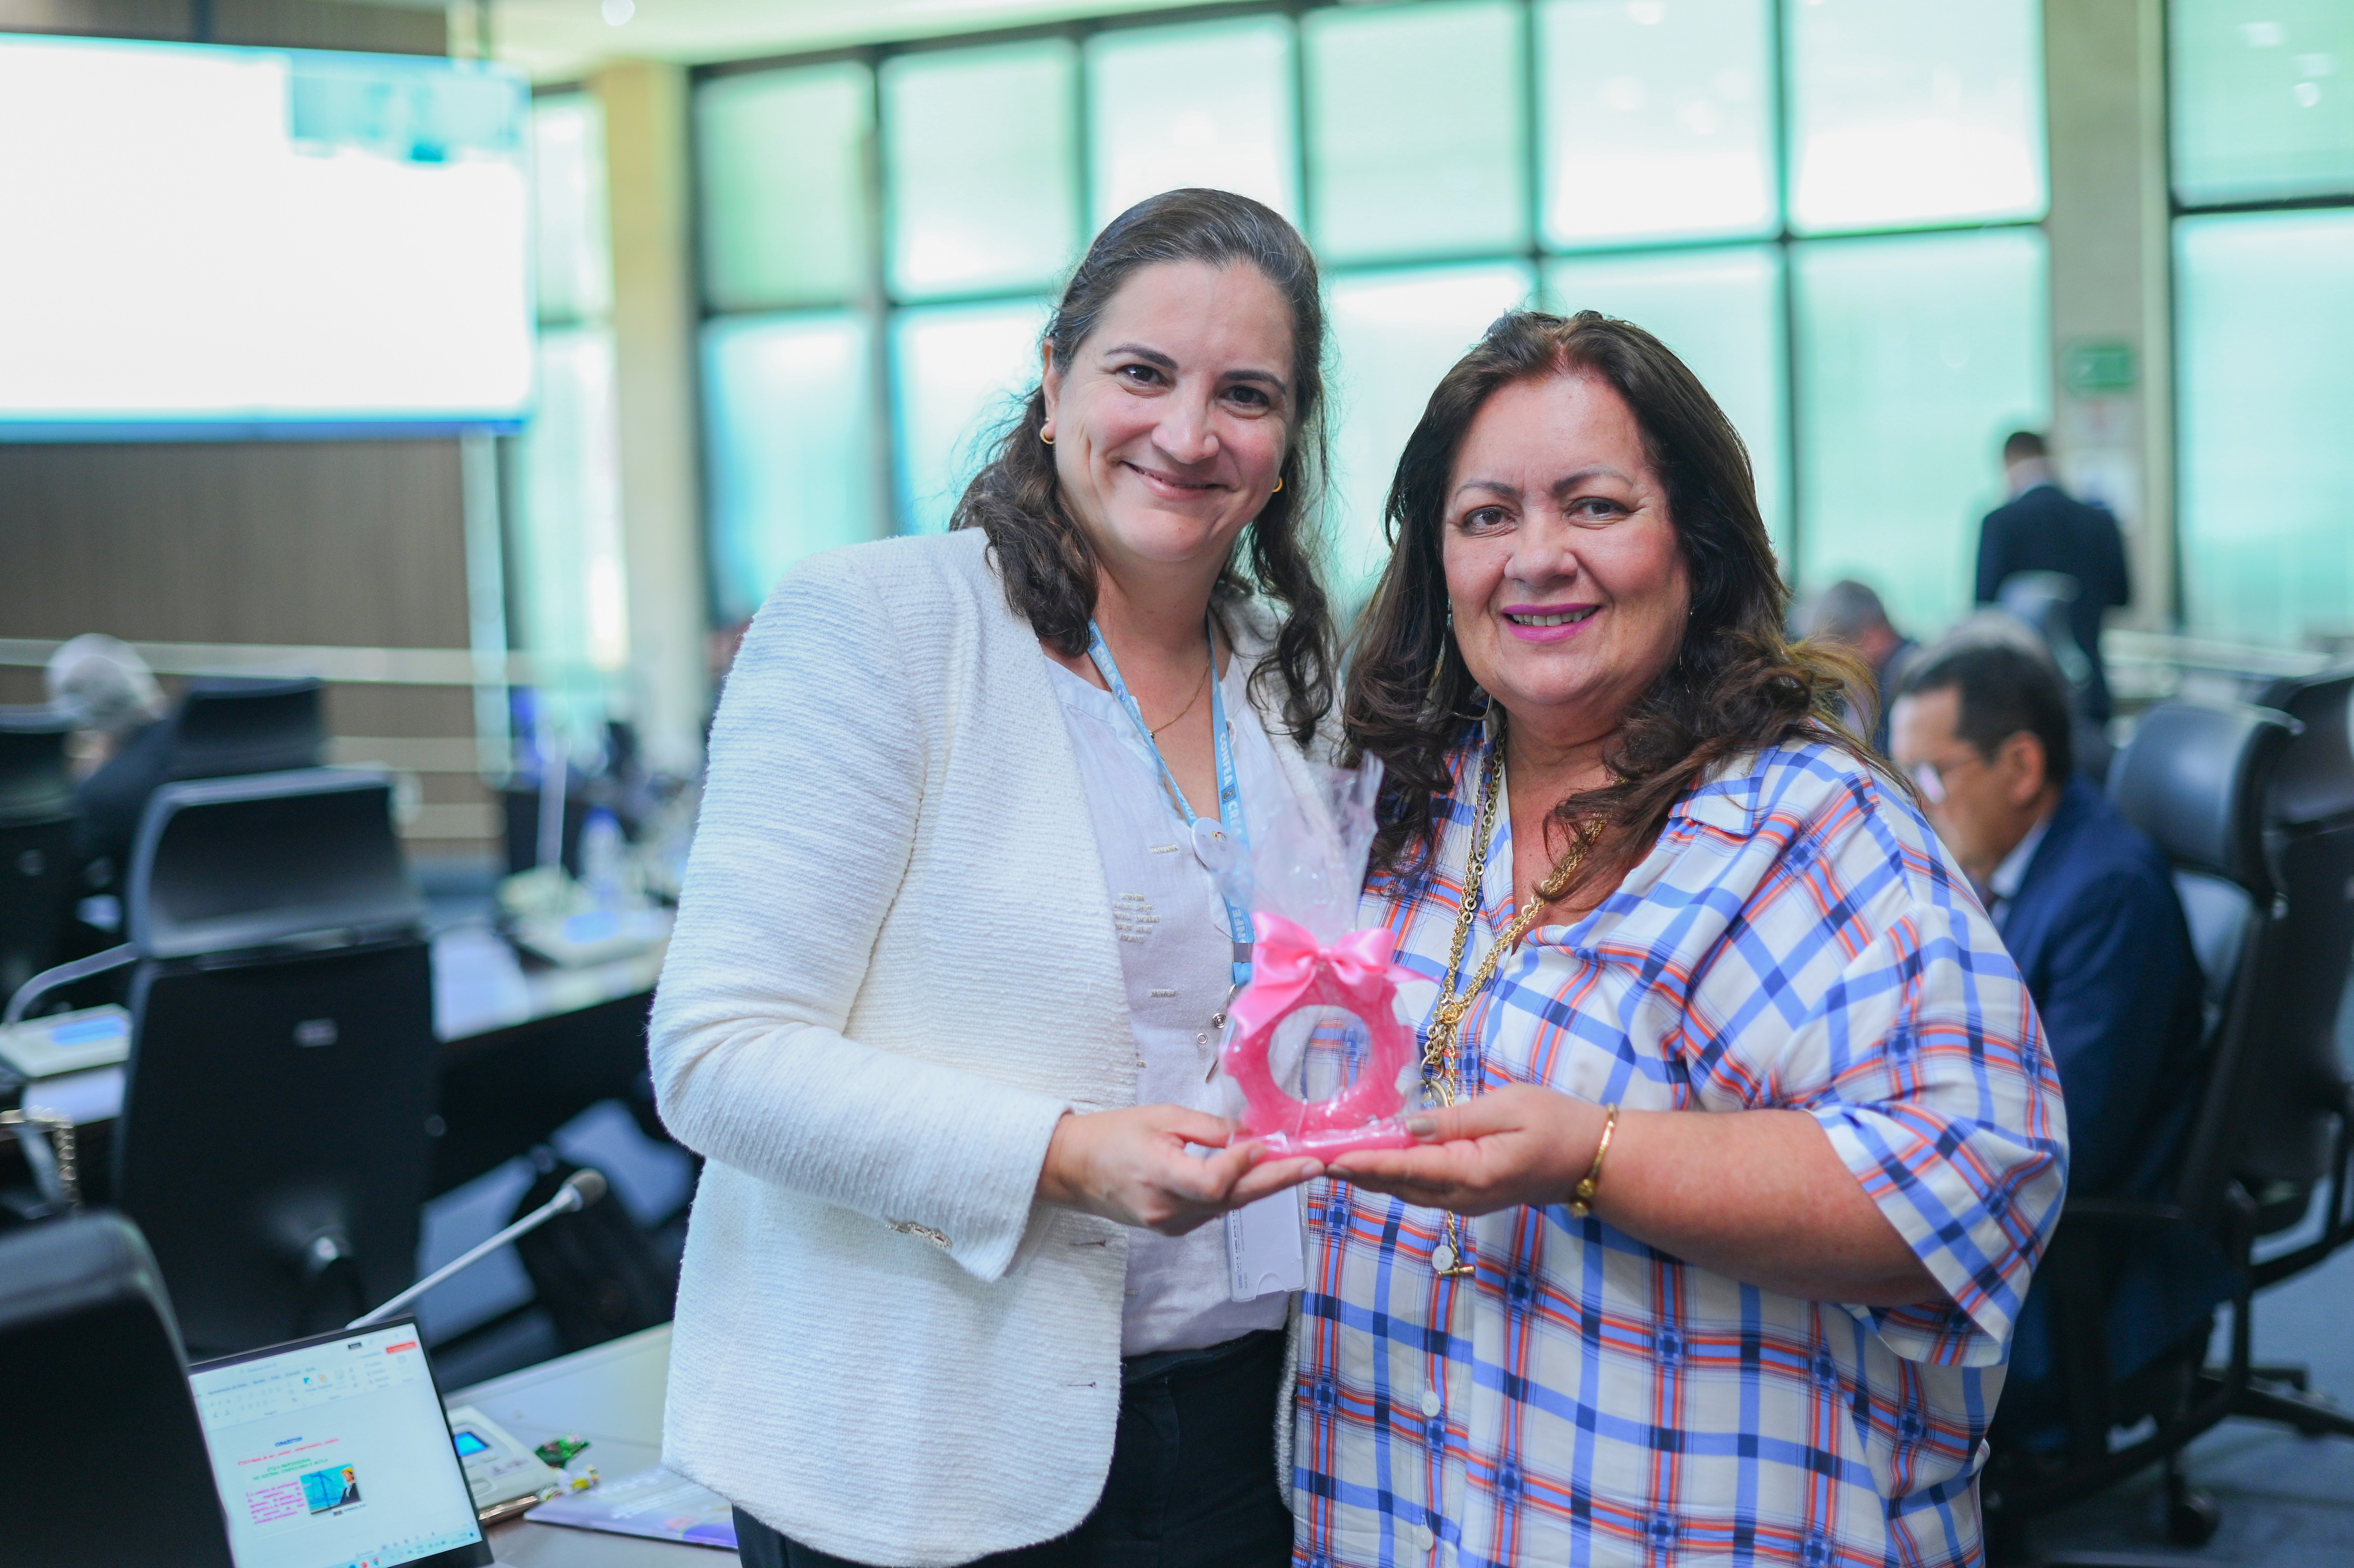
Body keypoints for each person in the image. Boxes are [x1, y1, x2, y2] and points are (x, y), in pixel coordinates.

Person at [1294, 310, 2068, 1567]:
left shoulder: (1808, 818)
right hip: (1400, 1505)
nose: (1534, 557)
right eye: (1484, 515)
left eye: (1592, 505)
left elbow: (1980, 1173)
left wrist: (1591, 1153)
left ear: (1692, 545)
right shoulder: (1403, 800)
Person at [649, 190, 1339, 1568]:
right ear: (1051, 380)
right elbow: (716, 1056)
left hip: (1246, 1438)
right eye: (1142, 373)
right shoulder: (883, 626)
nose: (1189, 433)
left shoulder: (1289, 678)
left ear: (1285, 449)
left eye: (1245, 395)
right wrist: (1063, 1155)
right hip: (918, 1443)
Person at [1888, 638, 2225, 1440]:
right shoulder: (2015, 863)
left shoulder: (2106, 894)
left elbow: (2063, 1141)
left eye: (1932, 777)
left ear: (2022, 767)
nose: (1918, 805)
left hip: (2073, 1269)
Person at [1974, 430, 2130, 723]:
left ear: (2008, 465)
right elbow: (2121, 596)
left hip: (2024, 694)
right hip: (2090, 688)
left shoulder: (1999, 523)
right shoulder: (2099, 520)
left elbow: (1984, 610)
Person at [1797, 578, 1916, 754]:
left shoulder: (1909, 680)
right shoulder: (1873, 681)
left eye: (1835, 653)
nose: (1830, 667)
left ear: (1871, 636)